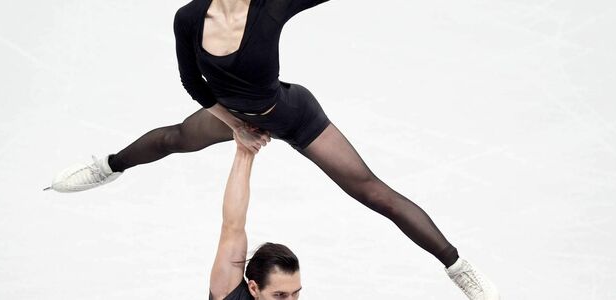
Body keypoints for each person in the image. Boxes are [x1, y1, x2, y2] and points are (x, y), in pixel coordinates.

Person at [45, 0, 498, 298]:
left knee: (371, 191)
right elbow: (191, 82)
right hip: (234, 115)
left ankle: (459, 268)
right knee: (172, 139)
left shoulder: (270, 6)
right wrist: (233, 126)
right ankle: (109, 166)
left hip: (291, 112)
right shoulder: (188, 17)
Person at [210, 133, 302, 300]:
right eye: (280, 295)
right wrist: (245, 150)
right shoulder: (230, 295)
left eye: (295, 294)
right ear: (253, 288)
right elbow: (232, 226)